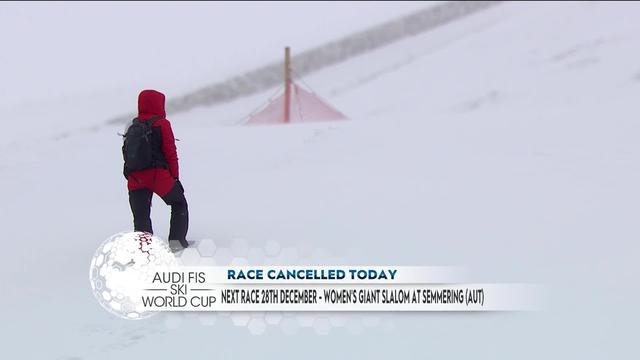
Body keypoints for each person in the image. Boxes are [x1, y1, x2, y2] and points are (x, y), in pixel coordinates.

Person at [123, 89, 189, 248]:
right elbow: (170, 153)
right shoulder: (162, 124)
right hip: (158, 176)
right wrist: (175, 178)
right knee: (179, 203)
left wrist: (130, 175)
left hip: (135, 178)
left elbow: (127, 153)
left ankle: (145, 251)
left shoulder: (132, 124)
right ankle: (177, 243)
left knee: (141, 217)